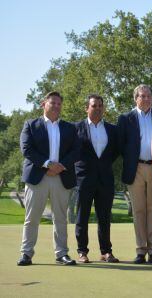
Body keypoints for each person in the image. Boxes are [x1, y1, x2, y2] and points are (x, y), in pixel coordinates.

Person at [17, 91, 79, 266]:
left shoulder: (70, 127)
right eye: (53, 103)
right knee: (32, 217)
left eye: (59, 103)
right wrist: (47, 165)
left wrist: (59, 166)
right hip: (38, 176)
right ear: (43, 104)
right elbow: (27, 149)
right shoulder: (30, 125)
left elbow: (76, 151)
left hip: (62, 176)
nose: (56, 106)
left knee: (60, 217)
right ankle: (26, 254)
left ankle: (62, 254)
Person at [117, 84, 152, 264]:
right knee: (138, 210)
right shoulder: (125, 118)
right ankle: (140, 250)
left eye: (148, 96)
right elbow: (121, 145)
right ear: (135, 98)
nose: (145, 99)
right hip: (134, 168)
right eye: (142, 96)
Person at [74, 94, 120, 263]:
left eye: (101, 105)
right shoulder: (76, 128)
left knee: (105, 217)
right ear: (87, 108)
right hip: (84, 179)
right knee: (82, 216)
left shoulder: (112, 129)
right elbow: (72, 151)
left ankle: (106, 251)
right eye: (94, 105)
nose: (98, 108)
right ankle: (82, 251)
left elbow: (114, 152)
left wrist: (103, 165)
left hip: (105, 179)